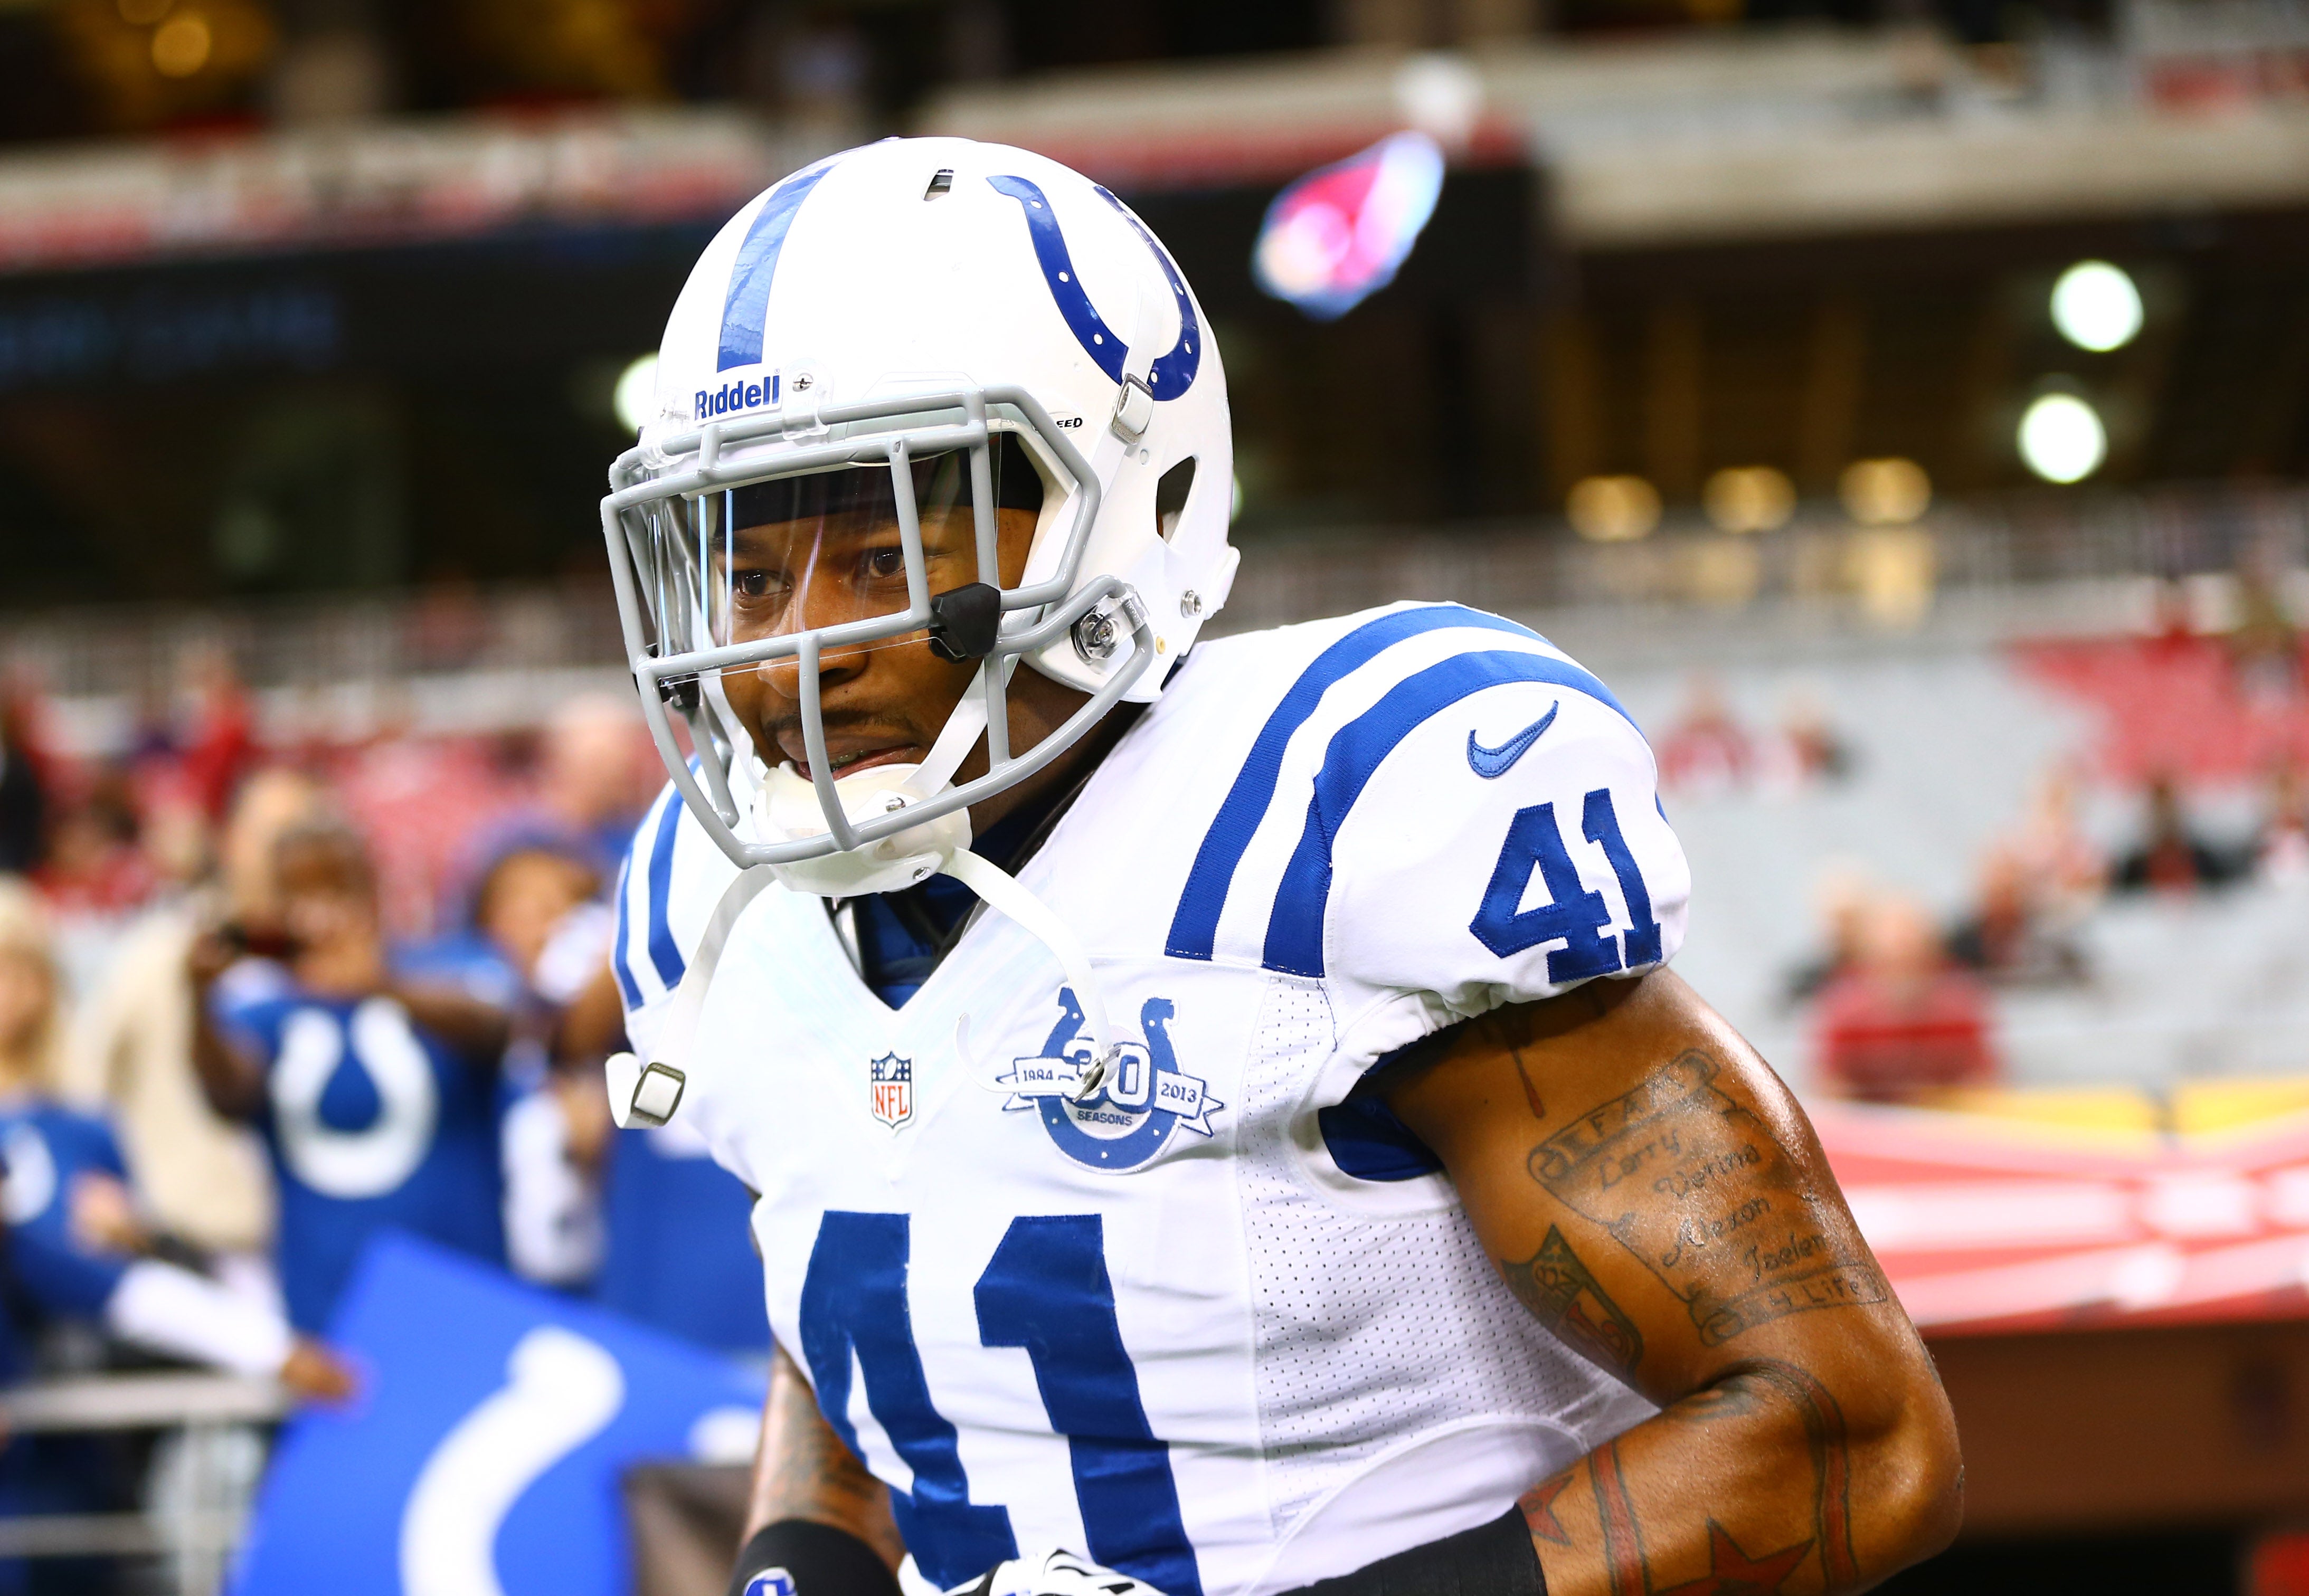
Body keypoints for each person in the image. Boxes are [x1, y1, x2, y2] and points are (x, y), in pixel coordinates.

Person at [601, 139, 1958, 1596]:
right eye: (748, 574)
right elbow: (874, 1309)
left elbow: (1850, 1436)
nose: (796, 648)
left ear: (1121, 503)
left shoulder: (1331, 815)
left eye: (883, 554)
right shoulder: (705, 898)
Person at [188, 818, 512, 1333]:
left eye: (338, 888)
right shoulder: (261, 1009)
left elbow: (497, 1030)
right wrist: (197, 998)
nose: (321, 913)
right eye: (299, 894)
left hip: (467, 1292)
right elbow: (227, 1094)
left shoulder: (449, 968)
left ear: (373, 892)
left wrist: (382, 986)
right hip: (333, 1303)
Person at [1814, 897, 1999, 1103]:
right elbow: (1830, 1089)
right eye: (1890, 963)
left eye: (1913, 960)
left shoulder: (1959, 1007)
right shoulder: (1846, 1011)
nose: (1902, 973)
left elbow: (1983, 1081)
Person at [2112, 774, 2239, 895]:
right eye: (2159, 808)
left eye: (2170, 806)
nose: (2165, 816)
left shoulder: (2207, 864)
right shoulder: (2134, 870)